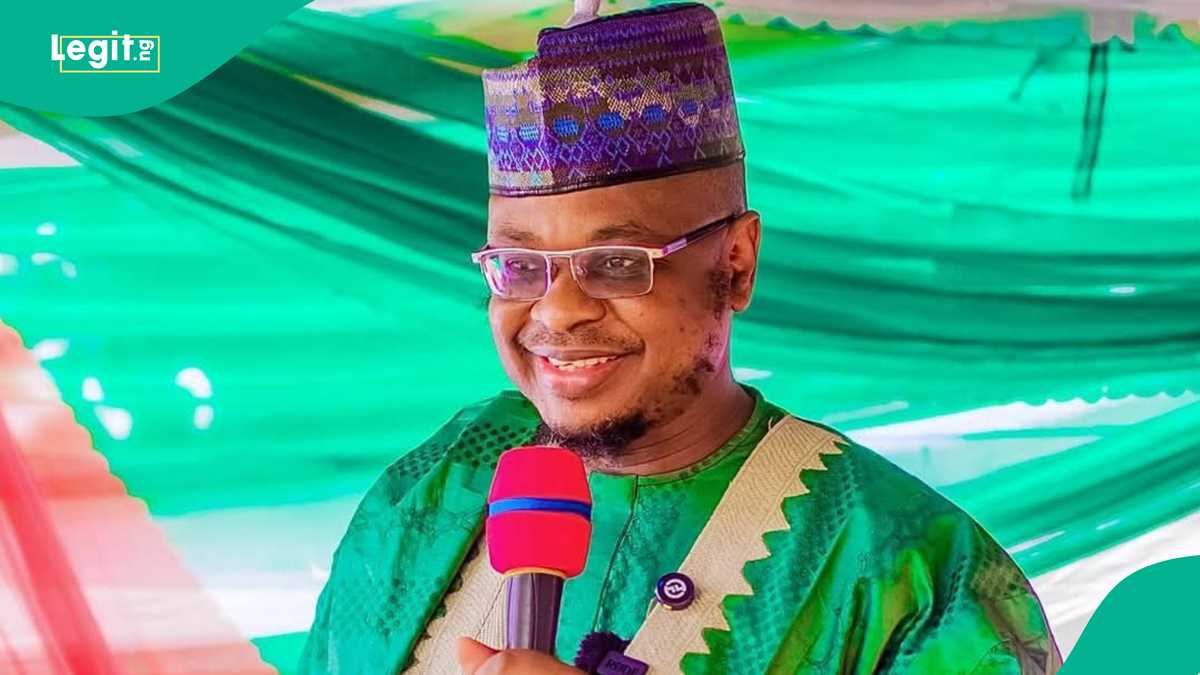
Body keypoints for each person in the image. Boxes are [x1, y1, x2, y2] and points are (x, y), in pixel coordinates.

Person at [299, 3, 1061, 673]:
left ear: (736, 264)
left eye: (616, 262)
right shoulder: (435, 488)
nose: (557, 313)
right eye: (521, 265)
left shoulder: (913, 572)